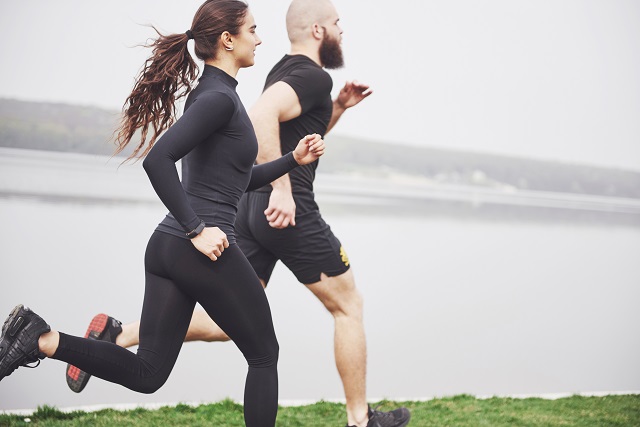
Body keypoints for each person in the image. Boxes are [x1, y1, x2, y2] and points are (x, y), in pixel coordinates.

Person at [65, 1, 410, 426]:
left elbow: (241, 163)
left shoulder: (265, 77)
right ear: (318, 30)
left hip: (232, 217)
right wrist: (273, 194)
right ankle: (360, 420)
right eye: (337, 23)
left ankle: (107, 336)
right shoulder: (303, 77)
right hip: (268, 216)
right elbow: (248, 122)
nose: (259, 38)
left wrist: (314, 134)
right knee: (337, 312)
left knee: (216, 333)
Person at [0, 1, 326, 426]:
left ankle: (40, 338)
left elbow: (237, 180)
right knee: (265, 354)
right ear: (228, 40)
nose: (260, 38)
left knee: (148, 373)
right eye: (253, 29)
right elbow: (158, 161)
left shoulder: (215, 97)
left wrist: (292, 160)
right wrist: (198, 230)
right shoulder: (218, 101)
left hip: (168, 249)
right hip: (199, 247)